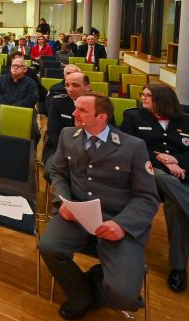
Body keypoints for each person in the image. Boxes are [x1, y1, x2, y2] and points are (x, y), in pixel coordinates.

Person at [40, 93, 159, 319]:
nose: (74, 113)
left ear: (101, 117)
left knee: (124, 295)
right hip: (76, 215)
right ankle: (81, 296)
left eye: (81, 110)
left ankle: (93, 282)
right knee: (48, 247)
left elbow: (147, 197)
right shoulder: (69, 135)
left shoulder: (132, 147)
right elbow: (58, 173)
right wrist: (63, 201)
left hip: (115, 221)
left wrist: (121, 224)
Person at [121, 84, 189, 293]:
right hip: (148, 173)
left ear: (162, 99)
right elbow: (129, 147)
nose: (143, 98)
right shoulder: (133, 117)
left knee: (177, 208)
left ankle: (178, 268)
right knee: (159, 176)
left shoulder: (185, 120)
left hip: (182, 175)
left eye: (148, 95)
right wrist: (163, 161)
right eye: (143, 94)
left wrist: (176, 159)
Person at [0, 56, 39, 140]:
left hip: (23, 114)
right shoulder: (1, 79)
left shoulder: (31, 83)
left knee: (35, 132)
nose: (15, 67)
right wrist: (6, 108)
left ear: (25, 69)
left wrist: (12, 109)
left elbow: (30, 100)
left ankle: (30, 151)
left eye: (19, 66)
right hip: (2, 111)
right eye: (13, 65)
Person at [44, 72, 90, 168]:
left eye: (75, 85)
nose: (70, 89)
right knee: (52, 171)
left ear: (87, 87)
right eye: (67, 85)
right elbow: (53, 132)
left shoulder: (99, 104)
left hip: (90, 150)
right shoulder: (58, 103)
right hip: (61, 148)